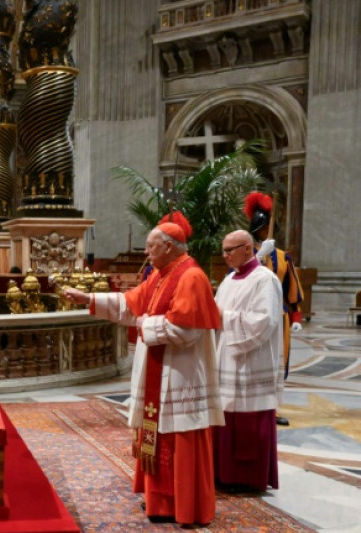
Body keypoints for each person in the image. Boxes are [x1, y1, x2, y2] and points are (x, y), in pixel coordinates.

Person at [63, 212, 224, 526]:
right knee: (158, 435)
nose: (146, 252)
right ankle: (161, 502)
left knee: (179, 437)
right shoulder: (162, 274)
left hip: (180, 372)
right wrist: (88, 298)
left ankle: (185, 505)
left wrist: (144, 325)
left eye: (151, 247)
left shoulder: (191, 276)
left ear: (168, 246)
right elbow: (130, 303)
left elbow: (185, 330)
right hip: (160, 370)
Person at [213, 229, 284, 493]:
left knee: (247, 421)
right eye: (224, 250)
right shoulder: (229, 280)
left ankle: (248, 478)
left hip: (251, 361)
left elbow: (263, 321)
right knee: (225, 417)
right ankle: (223, 473)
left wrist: (222, 317)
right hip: (226, 357)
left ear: (248, 248)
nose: (225, 255)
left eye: (230, 250)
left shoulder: (265, 280)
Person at [243, 191, 304, 426]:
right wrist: (258, 257)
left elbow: (292, 288)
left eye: (267, 225)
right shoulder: (246, 254)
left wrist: (296, 316)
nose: (264, 229)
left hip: (280, 317)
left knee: (278, 362)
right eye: (262, 226)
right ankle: (252, 405)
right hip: (253, 316)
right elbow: (236, 278)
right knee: (256, 361)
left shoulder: (282, 257)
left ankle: (273, 408)